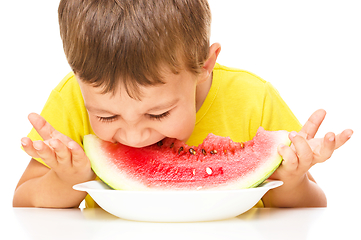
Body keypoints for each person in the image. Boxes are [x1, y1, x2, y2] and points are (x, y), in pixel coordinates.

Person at [13, 0, 352, 208]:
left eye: (158, 112)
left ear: (204, 65)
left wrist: (290, 183)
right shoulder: (71, 98)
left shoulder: (254, 100)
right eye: (105, 115)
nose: (133, 135)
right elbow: (23, 199)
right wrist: (66, 181)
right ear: (77, 77)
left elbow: (312, 205)